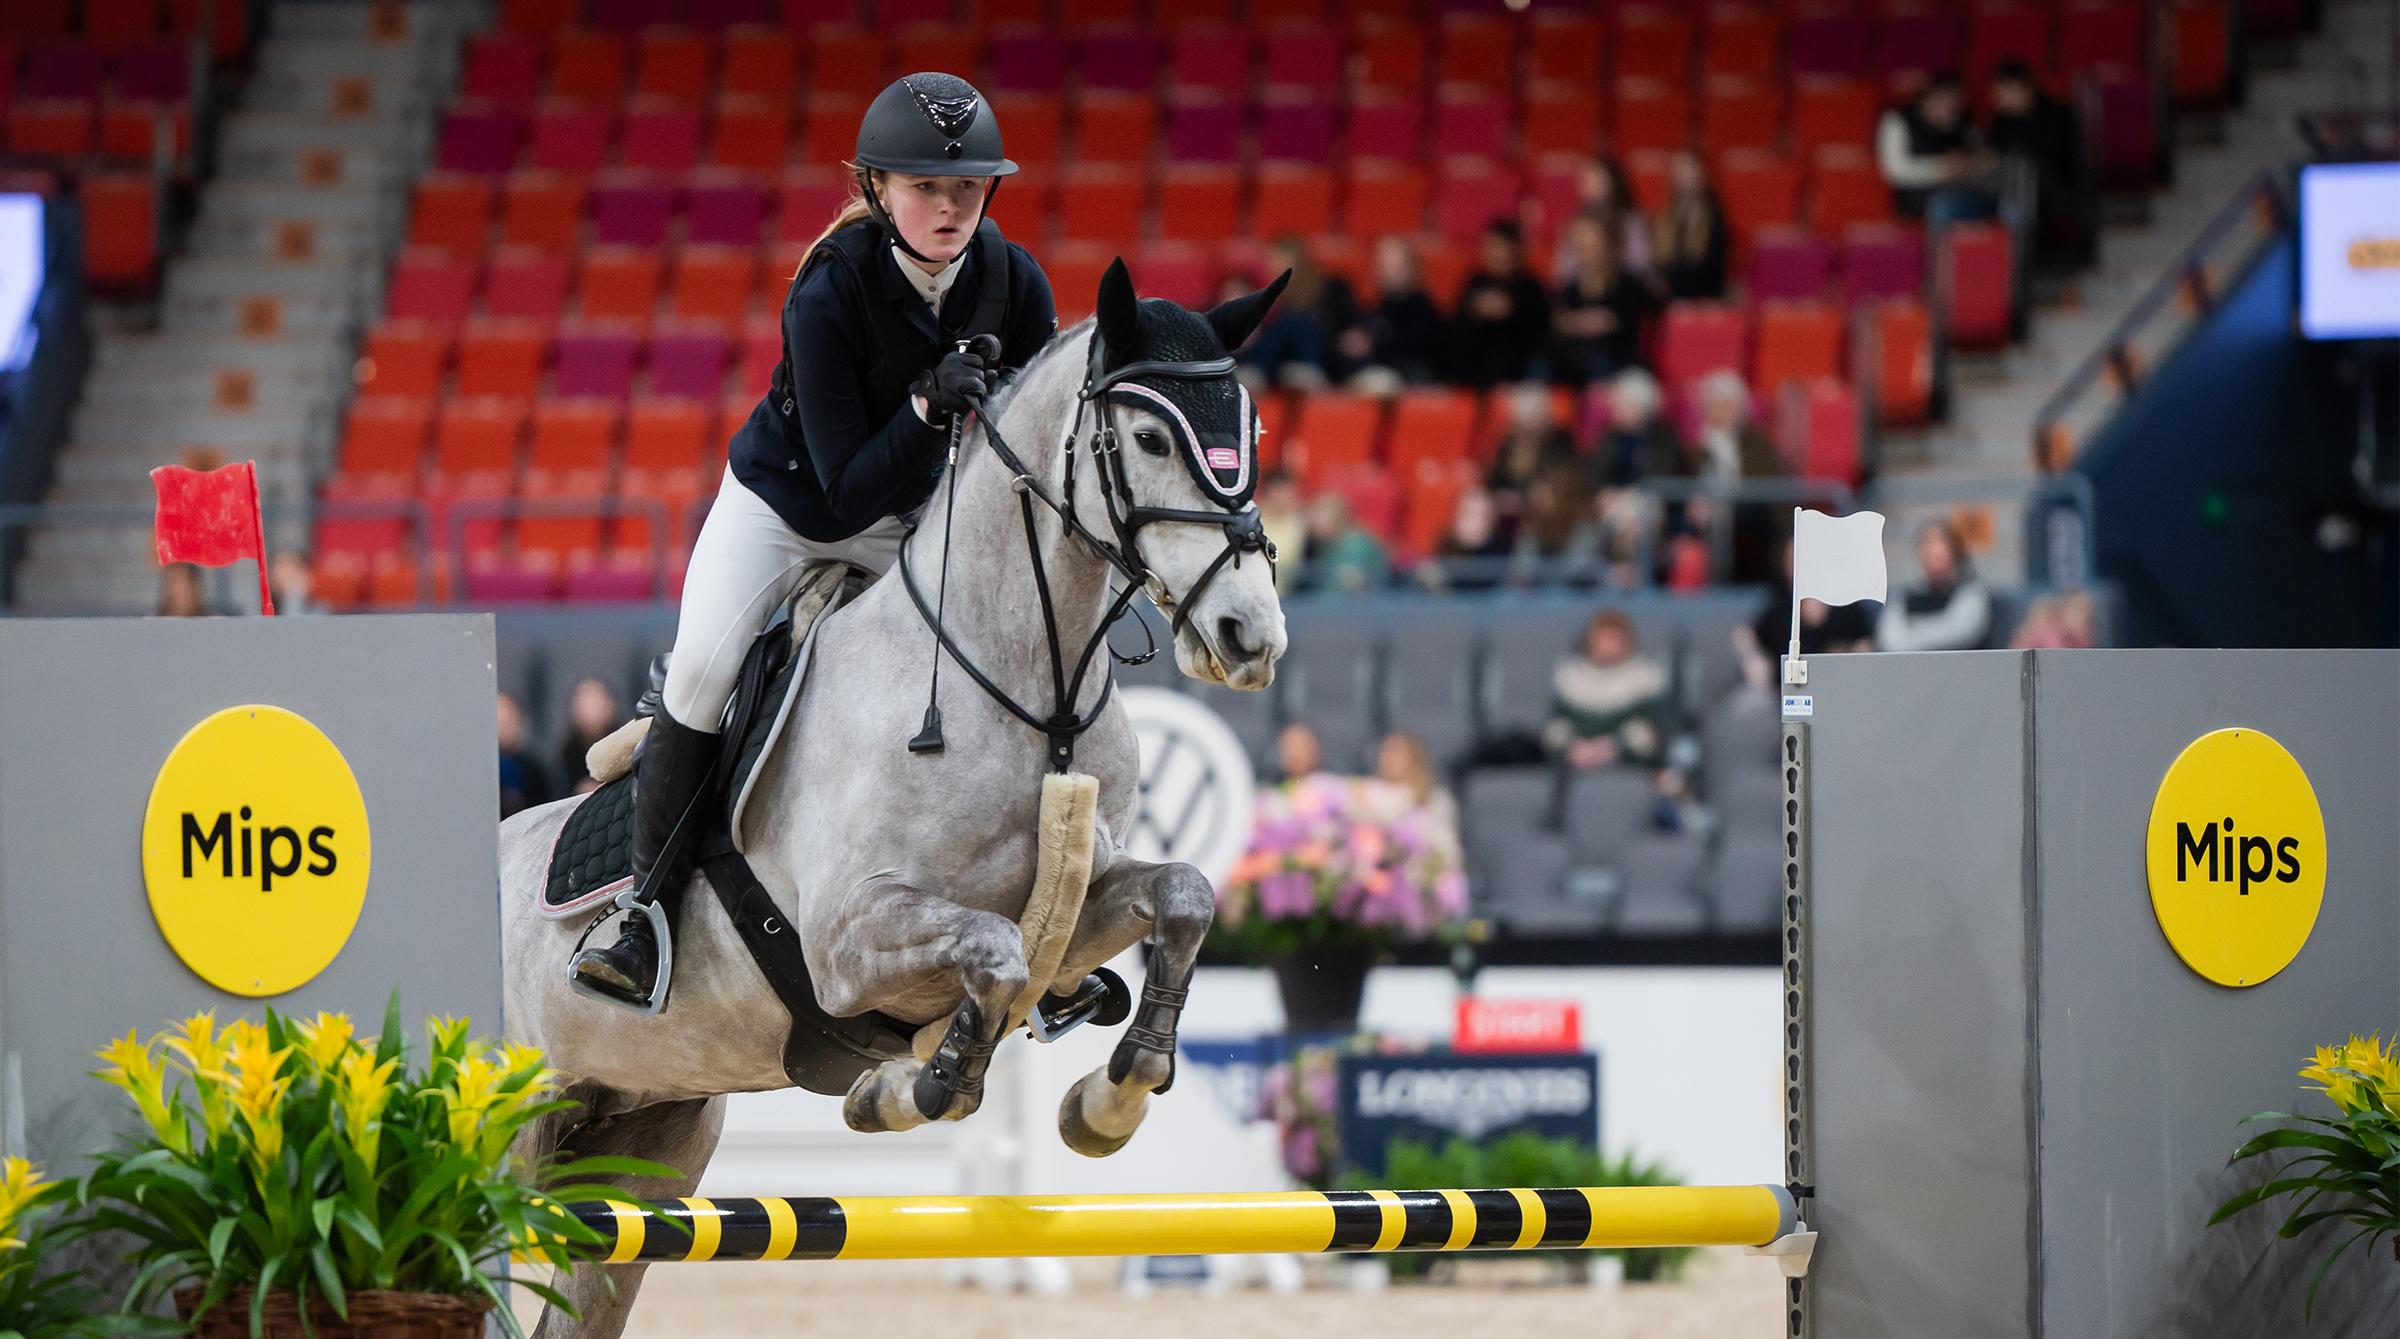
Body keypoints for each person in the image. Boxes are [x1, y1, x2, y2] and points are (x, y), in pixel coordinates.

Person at [571, 73, 1059, 1005]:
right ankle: (641, 911)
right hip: (789, 514)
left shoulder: (1013, 280)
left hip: (914, 521)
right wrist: (925, 407)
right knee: (707, 675)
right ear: (877, 188)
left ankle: (1035, 916)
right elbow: (842, 493)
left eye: (966, 188)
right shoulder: (829, 291)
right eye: (926, 189)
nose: (950, 206)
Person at [1543, 610, 1672, 772]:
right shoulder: (1570, 677)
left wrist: (1612, 748)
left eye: (1613, 639)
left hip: (1628, 762)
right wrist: (1574, 749)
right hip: (1577, 756)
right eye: (1602, 639)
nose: (1607, 645)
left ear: (1627, 642)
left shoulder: (1645, 678)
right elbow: (1556, 725)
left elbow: (1653, 731)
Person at [1986, 58, 2085, 264]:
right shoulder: (2001, 122)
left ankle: (2016, 271)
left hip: (2053, 189)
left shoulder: (2059, 115)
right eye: (1999, 92)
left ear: (2026, 88)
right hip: (2008, 191)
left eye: (2008, 90)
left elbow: (2059, 163)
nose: (2003, 98)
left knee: (2018, 186)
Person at [1877, 72, 1998, 230]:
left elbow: (1988, 159)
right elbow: (1894, 170)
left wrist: (1968, 163)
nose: (1949, 108)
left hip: (1963, 193)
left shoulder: (1964, 123)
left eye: (1954, 102)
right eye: (1942, 100)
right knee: (1941, 206)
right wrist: (1941, 167)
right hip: (1916, 200)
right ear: (1928, 98)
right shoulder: (1897, 120)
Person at [1550, 210, 1653, 386]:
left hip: (1618, 368)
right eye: (1577, 237)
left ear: (1606, 240)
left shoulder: (1626, 283)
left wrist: (1579, 323)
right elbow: (1560, 323)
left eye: (1587, 235)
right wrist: (1591, 322)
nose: (1580, 242)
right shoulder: (1569, 289)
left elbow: (1619, 322)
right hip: (1573, 366)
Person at [1341, 235, 1450, 391]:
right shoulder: (1376, 307)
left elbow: (1415, 351)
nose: (1389, 272)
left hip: (1414, 382)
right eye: (1383, 265)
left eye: (1396, 266)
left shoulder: (1422, 307)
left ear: (1411, 268)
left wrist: (1371, 344)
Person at [1451, 220, 1551, 389]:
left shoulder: (1529, 285)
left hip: (1518, 372)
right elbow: (1457, 324)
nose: (1494, 253)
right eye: (1489, 246)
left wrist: (1511, 311)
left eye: (1500, 246)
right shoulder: (1475, 282)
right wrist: (1476, 312)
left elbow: (1539, 330)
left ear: (1515, 250)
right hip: (1475, 371)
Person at [1877, 520, 1995, 651]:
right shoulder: (1906, 596)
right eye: (1926, 543)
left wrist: (1914, 628)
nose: (1932, 550)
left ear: (1954, 550)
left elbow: (1959, 632)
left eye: (1939, 542)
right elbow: (1890, 638)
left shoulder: (1970, 593)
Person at [1652, 151, 1730, 301]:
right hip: (1670, 296)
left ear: (1701, 174)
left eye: (1687, 168)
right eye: (1678, 169)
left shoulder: (1713, 212)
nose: (1682, 175)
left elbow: (1713, 266)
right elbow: (1660, 259)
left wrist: (1673, 282)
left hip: (1702, 295)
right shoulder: (1666, 213)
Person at [1374, 731, 1461, 841]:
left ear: (1414, 757)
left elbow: (1445, 845)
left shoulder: (1437, 799)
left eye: (1396, 751)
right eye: (1386, 751)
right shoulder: (1368, 796)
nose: (1389, 758)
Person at [557, 676, 626, 795]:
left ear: (611, 705)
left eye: (597, 702)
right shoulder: (564, 756)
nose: (592, 709)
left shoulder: (628, 749)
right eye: (586, 703)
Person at [498, 692, 557, 819]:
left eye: (508, 724)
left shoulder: (536, 769)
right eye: (499, 724)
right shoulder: (480, 773)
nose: (503, 730)